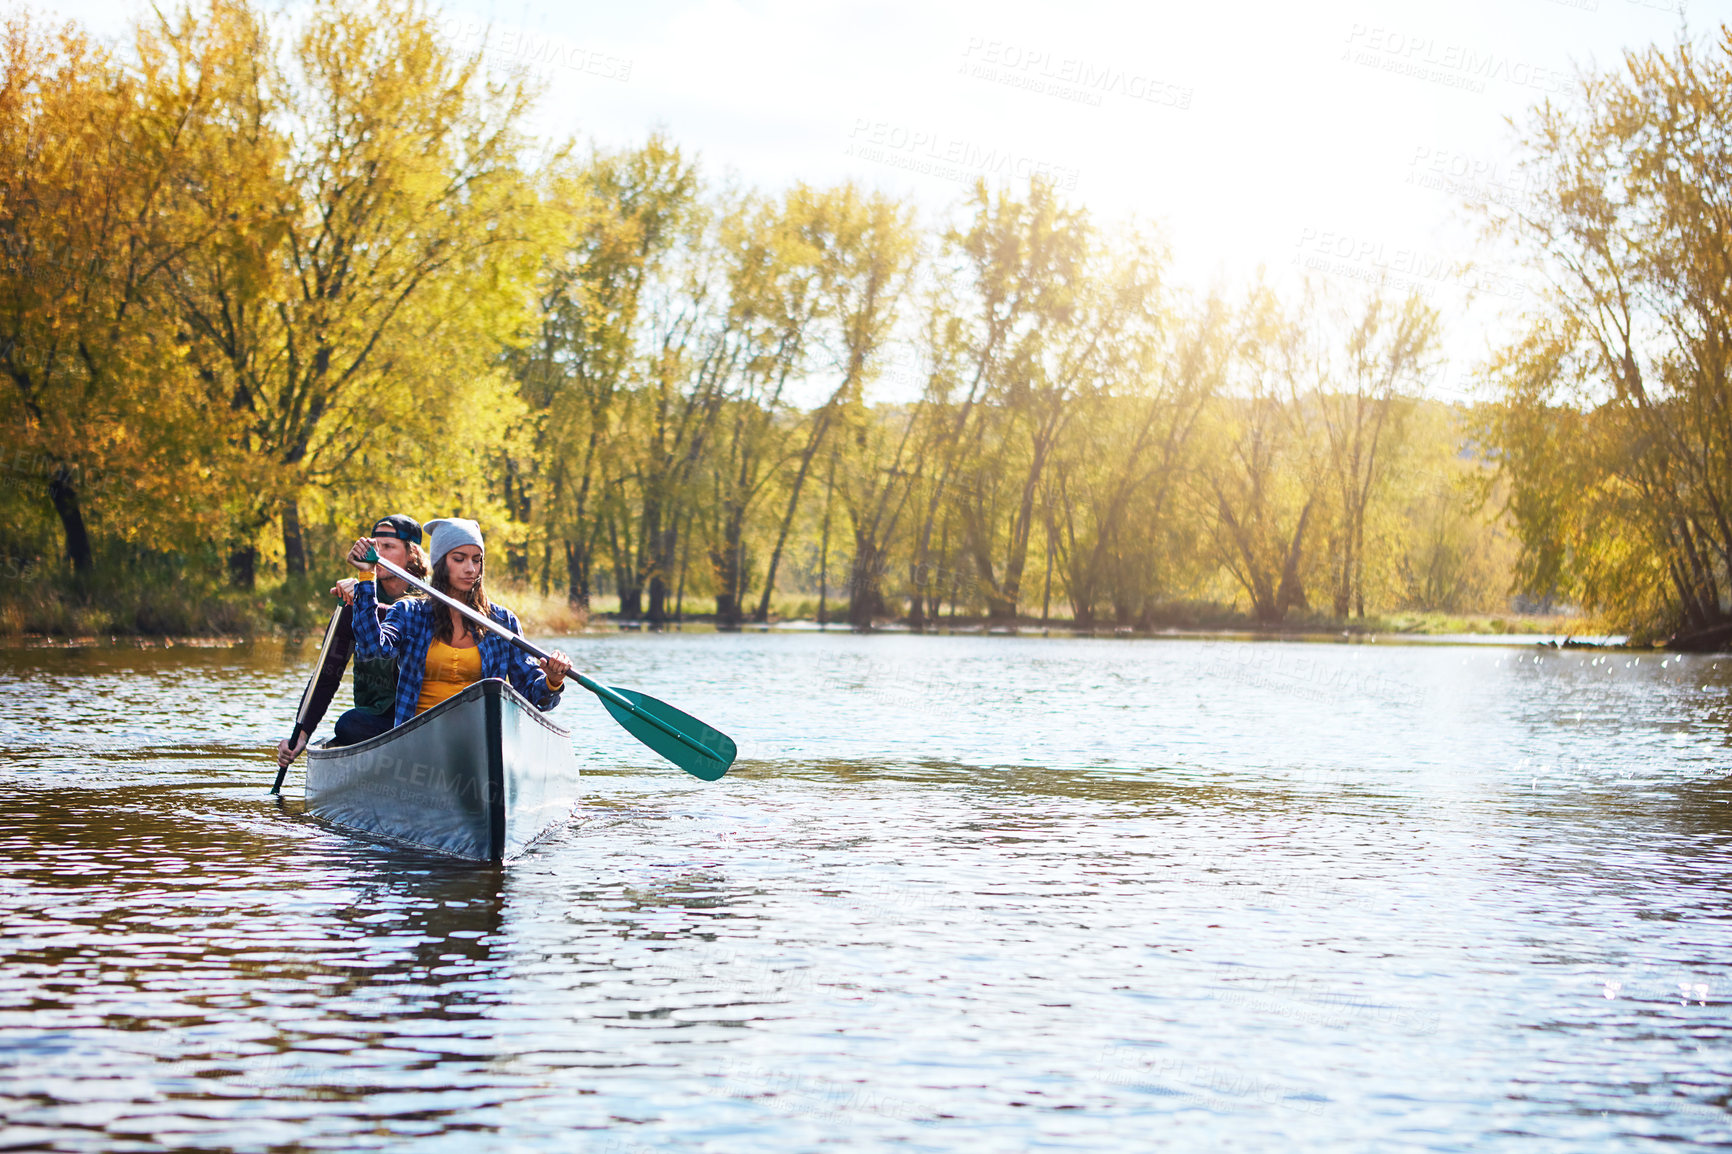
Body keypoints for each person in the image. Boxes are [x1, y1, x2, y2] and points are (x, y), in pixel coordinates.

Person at [346, 517, 572, 724]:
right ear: (441, 563)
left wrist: (552, 681)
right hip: (418, 740)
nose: (470, 569)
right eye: (459, 559)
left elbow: (534, 698)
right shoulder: (410, 612)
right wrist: (367, 576)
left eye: (477, 560)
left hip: (481, 735)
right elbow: (371, 648)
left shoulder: (502, 622)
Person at [277, 514, 429, 770]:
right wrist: (302, 733)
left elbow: (405, 619)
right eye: (374, 547)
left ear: (411, 554)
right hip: (378, 719)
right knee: (348, 725)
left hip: (425, 716)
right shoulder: (353, 604)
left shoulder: (433, 601)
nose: (377, 555)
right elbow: (327, 674)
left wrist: (364, 599)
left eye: (388, 547)